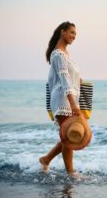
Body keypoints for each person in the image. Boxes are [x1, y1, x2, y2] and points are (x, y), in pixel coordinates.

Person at [39, 21, 83, 179]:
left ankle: (46, 159)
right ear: (62, 32)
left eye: (75, 34)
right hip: (63, 101)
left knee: (68, 136)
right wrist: (73, 104)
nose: (74, 36)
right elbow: (64, 80)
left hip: (68, 99)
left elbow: (68, 77)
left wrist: (78, 78)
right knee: (69, 137)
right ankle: (70, 173)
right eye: (72, 32)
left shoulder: (64, 54)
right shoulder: (58, 54)